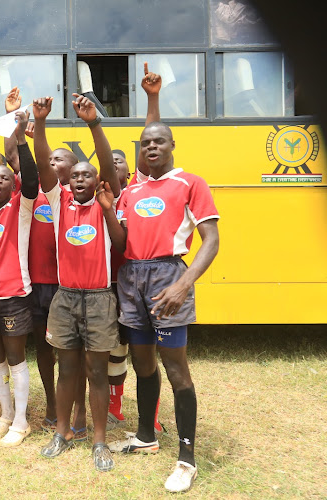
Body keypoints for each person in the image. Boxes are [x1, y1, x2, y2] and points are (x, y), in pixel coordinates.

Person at [108, 120, 220, 492]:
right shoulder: (132, 189)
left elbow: (211, 240)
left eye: (159, 142)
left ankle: (186, 460)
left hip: (167, 276)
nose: (151, 147)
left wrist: (182, 284)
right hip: (131, 278)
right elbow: (121, 243)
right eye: (145, 143)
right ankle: (146, 435)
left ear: (173, 144)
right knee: (142, 362)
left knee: (176, 368)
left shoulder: (191, 183)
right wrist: (110, 209)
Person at [33, 94, 123, 472]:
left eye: (88, 175)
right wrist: (39, 124)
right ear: (66, 182)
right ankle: (63, 431)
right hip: (65, 298)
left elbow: (106, 166)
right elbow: (41, 165)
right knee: (66, 369)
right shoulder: (59, 203)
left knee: (97, 372)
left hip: (100, 298)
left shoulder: (106, 202)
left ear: (97, 180)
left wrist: (93, 124)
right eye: (75, 177)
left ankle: (99, 441)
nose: (81, 180)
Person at [105, 64, 165, 436]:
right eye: (107, 162)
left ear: (132, 169)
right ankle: (113, 402)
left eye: (120, 160)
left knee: (143, 351)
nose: (114, 164)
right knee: (113, 349)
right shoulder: (99, 199)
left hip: (138, 282)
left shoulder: (140, 190)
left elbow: (150, 142)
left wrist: (152, 98)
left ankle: (151, 413)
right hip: (104, 285)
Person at [0, 109, 39, 447]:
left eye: (4, 178)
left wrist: (20, 136)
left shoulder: (20, 207)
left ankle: (21, 421)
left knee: (16, 361)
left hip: (15, 296)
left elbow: (31, 178)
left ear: (12, 183)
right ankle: (4, 414)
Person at [2, 87, 59, 432]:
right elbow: (12, 153)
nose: (50, 166)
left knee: (67, 349)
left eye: (55, 161)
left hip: (63, 285)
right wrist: (15, 117)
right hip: (34, 285)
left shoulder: (66, 195)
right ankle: (51, 403)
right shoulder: (28, 191)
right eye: (46, 162)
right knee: (43, 350)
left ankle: (68, 405)